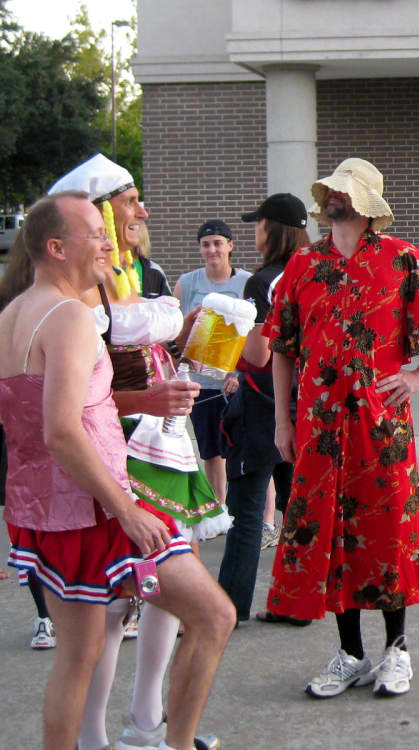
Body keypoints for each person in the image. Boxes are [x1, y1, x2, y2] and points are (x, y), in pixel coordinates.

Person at [1, 191, 234, 750]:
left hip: (45, 511)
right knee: (213, 616)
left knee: (76, 660)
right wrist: (129, 511)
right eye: (94, 232)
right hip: (100, 509)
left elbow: (62, 407)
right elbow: (61, 430)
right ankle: (170, 743)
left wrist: (146, 401)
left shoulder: (11, 315)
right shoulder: (71, 318)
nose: (107, 241)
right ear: (57, 248)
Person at [259, 157, 419, 698]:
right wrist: (282, 419)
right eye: (330, 190)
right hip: (318, 428)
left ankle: (396, 650)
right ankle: (350, 652)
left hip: (382, 427)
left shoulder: (402, 260)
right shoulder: (303, 266)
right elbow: (282, 347)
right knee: (332, 536)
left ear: (365, 204)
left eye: (344, 191)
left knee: (389, 532)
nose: (333, 198)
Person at [217, 193, 309, 623]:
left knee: (248, 510)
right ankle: (299, 603)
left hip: (265, 406)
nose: (254, 230)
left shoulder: (263, 281)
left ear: (273, 229)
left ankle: (229, 607)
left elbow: (258, 355)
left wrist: (222, 331)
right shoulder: (317, 269)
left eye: (258, 223)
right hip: (308, 405)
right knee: (297, 507)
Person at [0, 230, 58, 649]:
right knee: (37, 522)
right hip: (29, 428)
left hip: (31, 429)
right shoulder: (21, 306)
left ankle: (47, 616)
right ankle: (47, 615)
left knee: (32, 523)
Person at [173, 221, 251, 505]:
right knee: (210, 451)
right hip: (200, 381)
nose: (212, 249)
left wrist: (240, 374)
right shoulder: (187, 283)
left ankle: (252, 511)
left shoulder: (245, 282)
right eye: (206, 244)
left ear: (230, 245)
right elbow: (176, 332)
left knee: (243, 447)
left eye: (218, 243)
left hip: (235, 383)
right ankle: (218, 507)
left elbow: (255, 336)